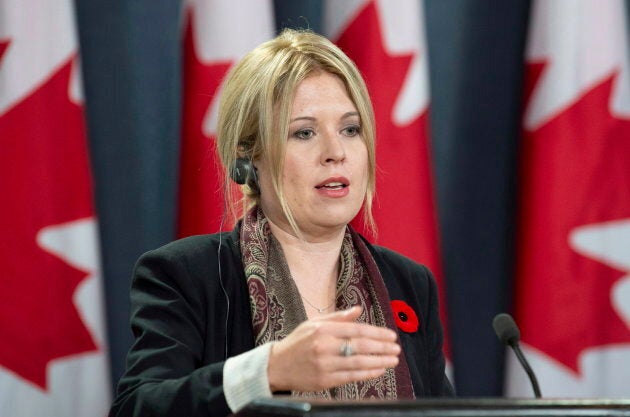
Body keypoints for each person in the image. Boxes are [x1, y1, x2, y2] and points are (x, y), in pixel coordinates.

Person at [110, 28, 453, 417]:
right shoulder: (187, 275)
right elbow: (136, 409)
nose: (335, 152)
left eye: (350, 129)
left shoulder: (408, 283)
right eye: (304, 132)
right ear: (248, 157)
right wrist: (269, 371)